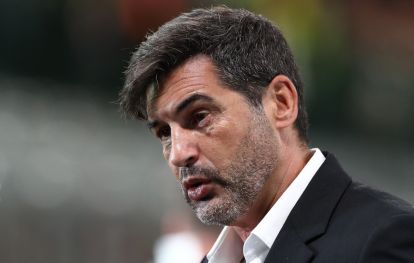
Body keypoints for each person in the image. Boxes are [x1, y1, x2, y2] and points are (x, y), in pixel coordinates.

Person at [119, 6, 414, 263]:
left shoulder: (385, 238)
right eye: (164, 133)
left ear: (281, 103)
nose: (179, 153)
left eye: (199, 116)